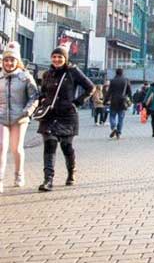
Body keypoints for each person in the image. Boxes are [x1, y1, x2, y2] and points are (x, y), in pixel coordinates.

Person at [37, 45, 94, 192]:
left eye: (60, 57)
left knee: (66, 146)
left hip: (67, 115)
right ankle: (48, 180)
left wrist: (77, 102)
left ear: (65, 58)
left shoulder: (73, 72)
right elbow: (43, 91)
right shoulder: (47, 74)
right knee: (50, 144)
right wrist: (42, 100)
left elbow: (91, 87)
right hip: (49, 115)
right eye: (54, 57)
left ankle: (71, 172)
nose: (57, 59)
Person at [0, 42, 39, 193]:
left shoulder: (25, 77)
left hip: (19, 117)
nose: (9, 63)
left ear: (18, 61)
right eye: (6, 60)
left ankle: (19, 174)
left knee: (16, 148)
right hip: (1, 116)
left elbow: (34, 96)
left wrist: (27, 111)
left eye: (12, 60)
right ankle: (1, 179)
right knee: (1, 146)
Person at [105, 68, 132, 139]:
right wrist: (130, 100)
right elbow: (129, 91)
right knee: (121, 117)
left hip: (113, 100)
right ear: (122, 73)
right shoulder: (126, 80)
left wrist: (105, 100)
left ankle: (113, 128)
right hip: (122, 101)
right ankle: (119, 132)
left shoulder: (113, 81)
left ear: (116, 73)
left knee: (112, 116)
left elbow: (109, 92)